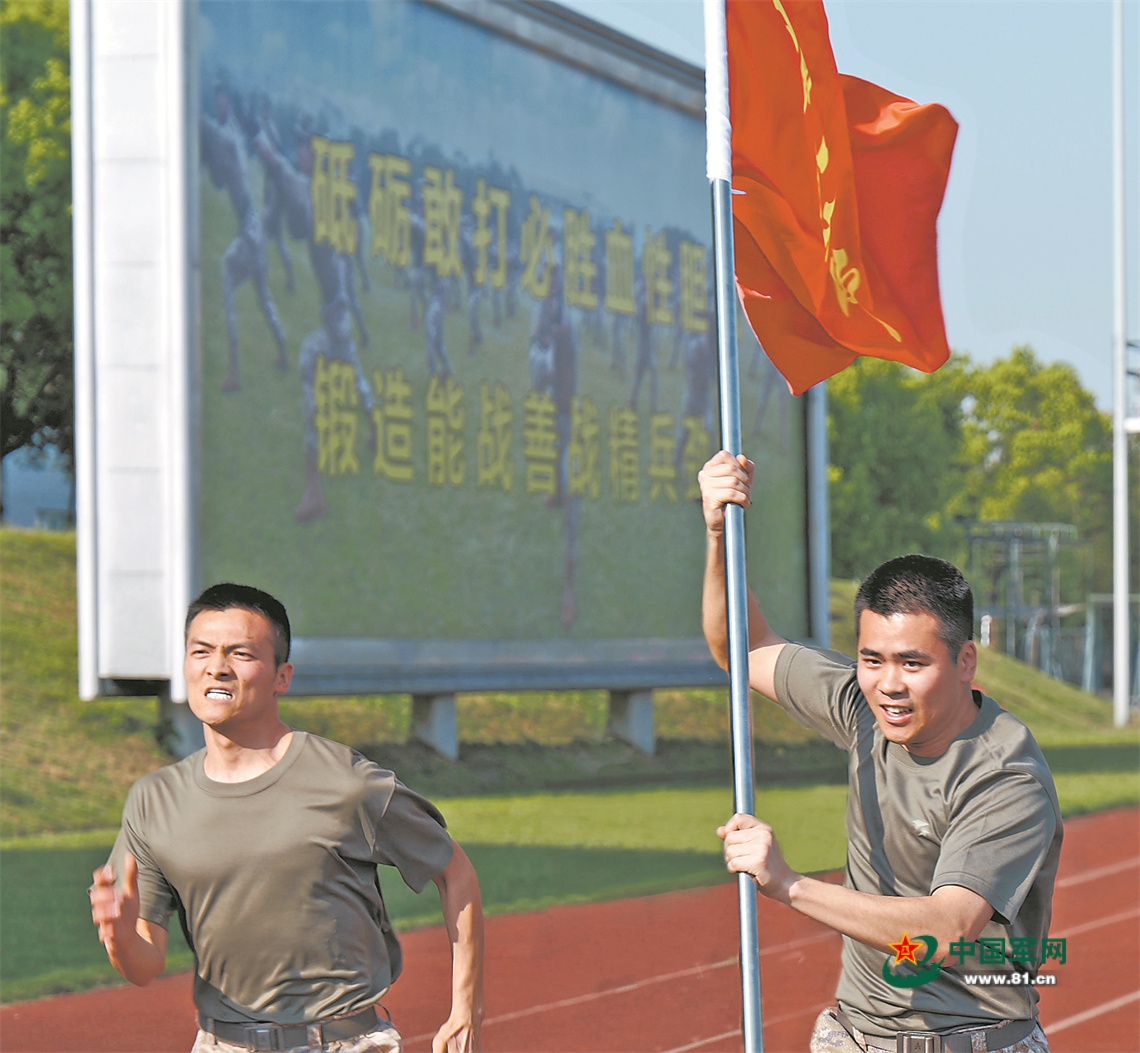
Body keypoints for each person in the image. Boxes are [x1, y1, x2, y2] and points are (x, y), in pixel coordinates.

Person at [699, 451, 1060, 1053]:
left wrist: (789, 884)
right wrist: (717, 532)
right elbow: (743, 647)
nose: (888, 683)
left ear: (964, 662)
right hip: (853, 1037)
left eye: (912, 663)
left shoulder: (1005, 776)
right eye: (872, 659)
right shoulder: (863, 707)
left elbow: (946, 929)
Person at [90, 584, 483, 1053]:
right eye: (201, 651)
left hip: (343, 1043)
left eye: (240, 653)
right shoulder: (154, 801)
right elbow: (145, 965)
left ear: (282, 676)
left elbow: (454, 872)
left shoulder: (347, 782)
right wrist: (118, 938)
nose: (217, 667)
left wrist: (465, 1009)